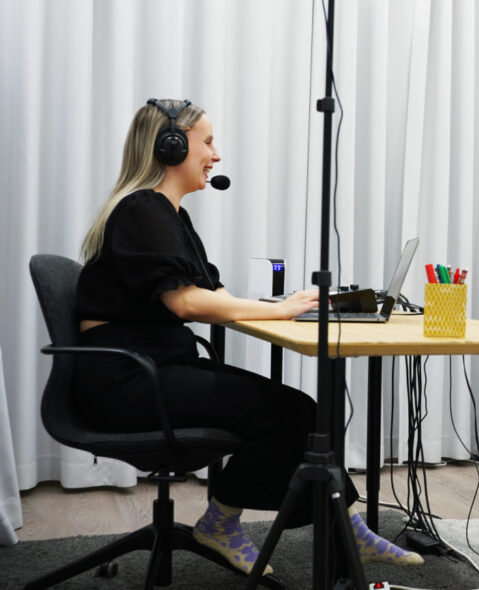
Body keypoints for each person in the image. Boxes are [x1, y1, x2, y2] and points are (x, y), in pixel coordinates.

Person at [73, 99, 422, 574]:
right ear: (171, 146)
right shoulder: (142, 209)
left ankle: (342, 526)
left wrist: (286, 306)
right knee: (292, 414)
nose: (216, 155)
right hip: (125, 382)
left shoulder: (167, 215)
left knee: (301, 411)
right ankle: (237, 523)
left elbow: (211, 292)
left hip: (154, 368)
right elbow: (185, 302)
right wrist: (278, 310)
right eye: (208, 142)